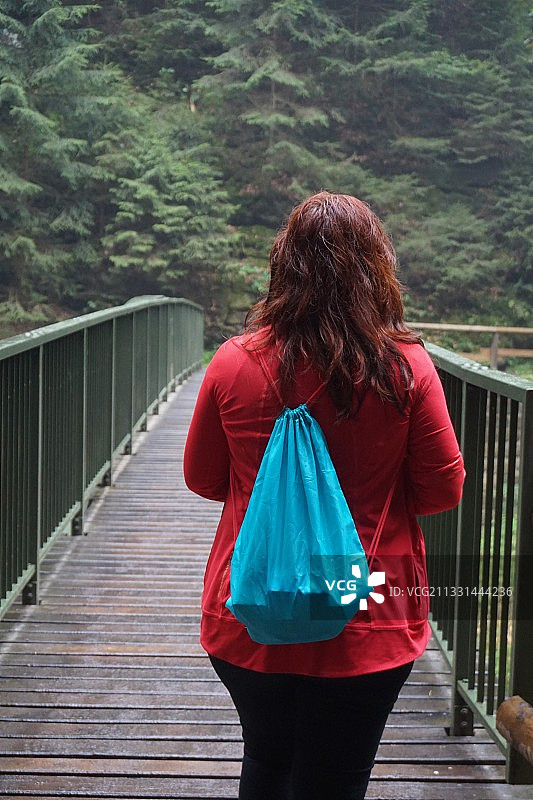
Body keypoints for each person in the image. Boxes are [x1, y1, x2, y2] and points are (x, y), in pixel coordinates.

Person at [183, 191, 465, 800]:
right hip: (371, 610)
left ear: (283, 264)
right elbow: (443, 489)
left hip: (250, 603)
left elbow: (203, 480)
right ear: (377, 268)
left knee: (267, 758)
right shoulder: (406, 367)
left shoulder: (233, 362)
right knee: (337, 776)